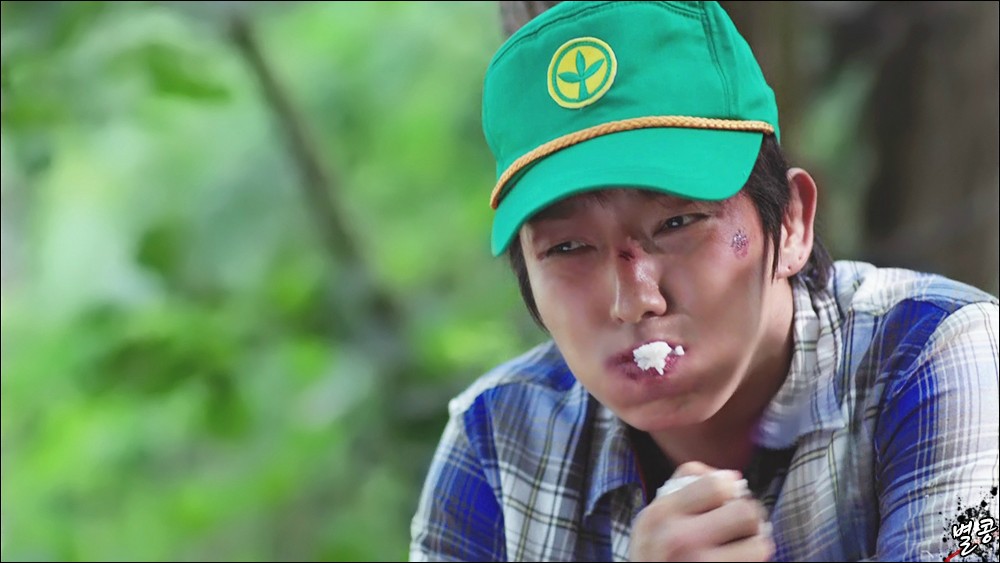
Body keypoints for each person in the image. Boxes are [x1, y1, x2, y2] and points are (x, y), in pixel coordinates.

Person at [409, 1, 1000, 561]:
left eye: (677, 223)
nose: (635, 301)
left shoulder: (939, 354)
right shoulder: (497, 441)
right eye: (568, 248)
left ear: (791, 222)